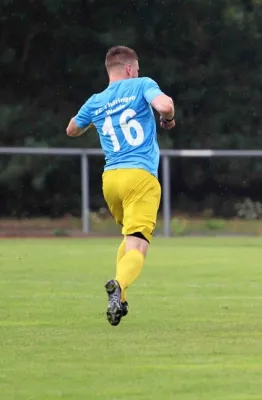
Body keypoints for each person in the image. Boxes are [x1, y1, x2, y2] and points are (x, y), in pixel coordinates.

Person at [65, 45, 176, 326]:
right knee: (138, 246)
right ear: (129, 68)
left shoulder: (96, 100)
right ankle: (118, 284)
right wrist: (168, 119)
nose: (137, 72)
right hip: (139, 177)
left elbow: (72, 129)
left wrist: (100, 118)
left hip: (110, 180)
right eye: (136, 68)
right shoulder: (142, 85)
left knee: (129, 238)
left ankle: (121, 298)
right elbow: (165, 105)